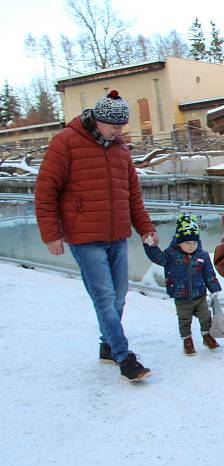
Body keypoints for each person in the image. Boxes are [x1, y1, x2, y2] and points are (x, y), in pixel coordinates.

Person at [34, 90, 157, 383]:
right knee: (104, 298)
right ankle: (125, 357)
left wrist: (146, 229)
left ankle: (107, 345)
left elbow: (133, 196)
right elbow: (45, 190)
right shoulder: (65, 142)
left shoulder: (120, 148)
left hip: (116, 234)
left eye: (122, 126)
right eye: (113, 125)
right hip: (84, 236)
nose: (118, 130)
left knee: (119, 296)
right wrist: (51, 235)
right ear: (97, 120)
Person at [143, 213, 223, 356]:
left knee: (206, 317)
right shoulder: (171, 255)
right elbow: (157, 257)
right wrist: (149, 245)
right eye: (187, 243)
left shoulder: (202, 256)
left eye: (194, 242)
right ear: (179, 242)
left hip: (199, 295)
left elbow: (209, 274)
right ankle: (187, 340)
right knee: (184, 320)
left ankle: (207, 336)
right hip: (181, 297)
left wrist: (214, 289)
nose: (192, 246)